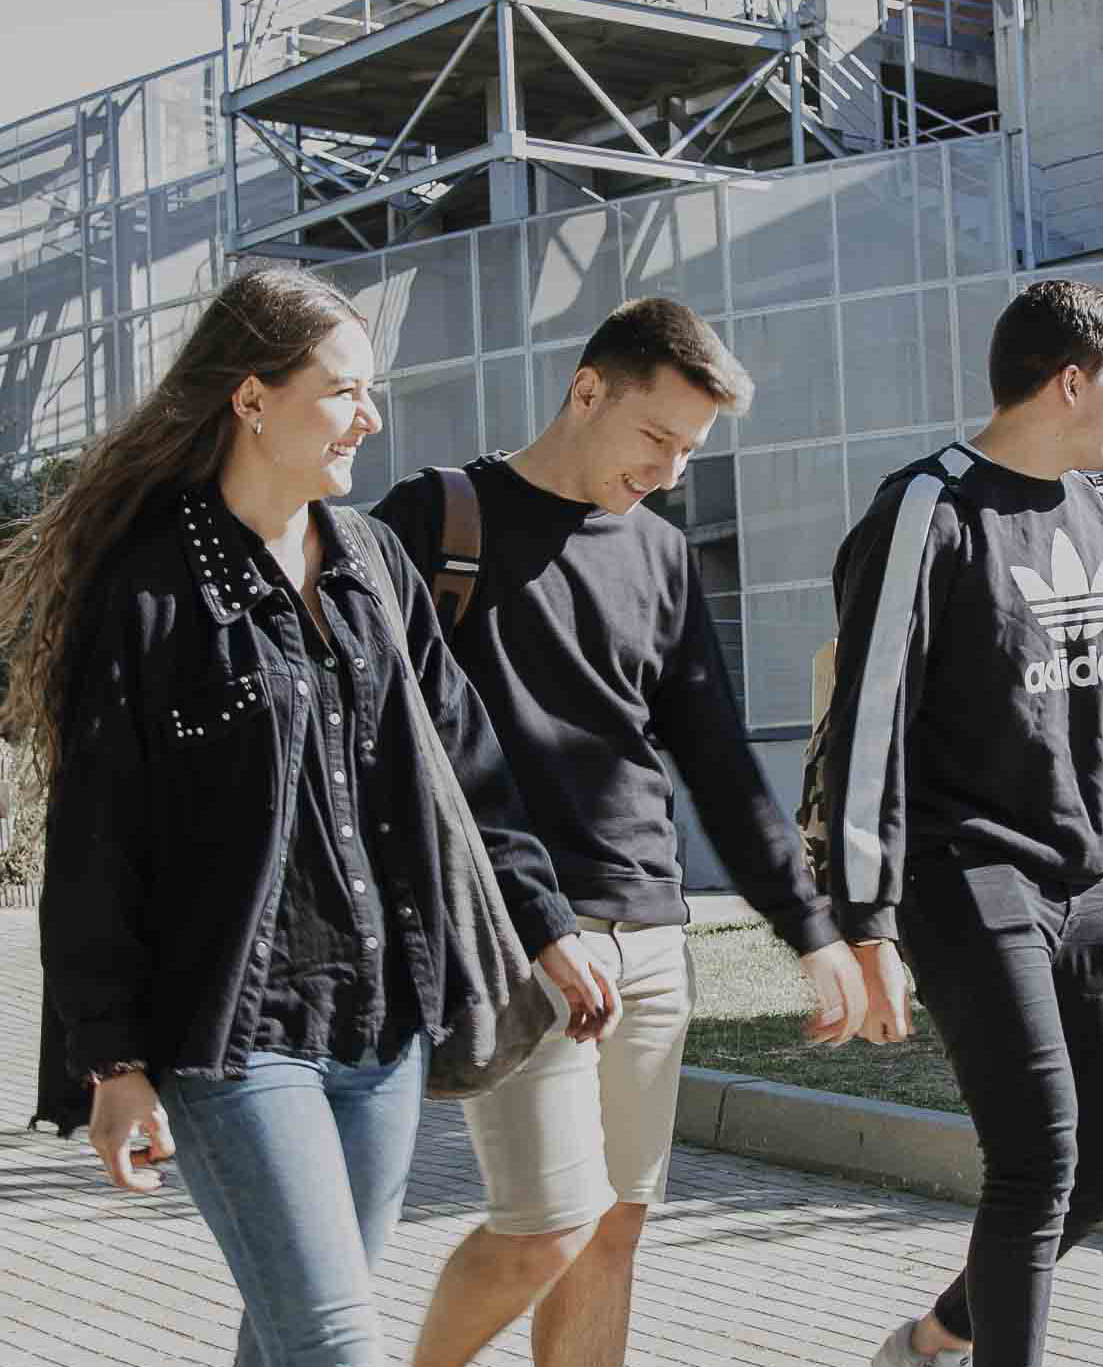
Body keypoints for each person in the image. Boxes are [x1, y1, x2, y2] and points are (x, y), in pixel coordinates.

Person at [0, 267, 619, 1367]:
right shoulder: (151, 588)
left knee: (290, 1340)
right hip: (232, 1033)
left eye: (369, 391)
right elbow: (95, 842)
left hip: (379, 1024)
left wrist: (544, 924)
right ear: (251, 397)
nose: (369, 416)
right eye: (341, 390)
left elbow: (466, 768)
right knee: (334, 1344)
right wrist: (111, 1063)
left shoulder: (373, 563)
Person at [373, 297, 874, 1367]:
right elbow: (385, 730)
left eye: (689, 451)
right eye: (656, 437)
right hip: (515, 937)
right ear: (586, 388)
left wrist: (811, 926)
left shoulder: (659, 554)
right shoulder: (436, 518)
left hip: (651, 935)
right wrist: (529, 915)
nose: (668, 470)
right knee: (543, 1224)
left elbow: (717, 757)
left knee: (612, 1226)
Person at [805, 279, 1103, 1367]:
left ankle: (941, 1328)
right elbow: (867, 724)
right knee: (1034, 1159)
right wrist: (865, 920)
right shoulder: (923, 511)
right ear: (1068, 380)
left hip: (1089, 882)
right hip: (963, 872)